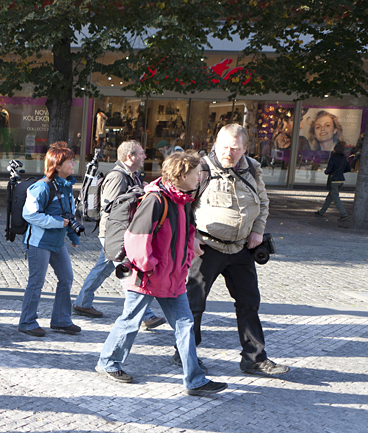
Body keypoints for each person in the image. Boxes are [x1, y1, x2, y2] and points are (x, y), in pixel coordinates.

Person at [95, 151, 229, 397]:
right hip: (149, 277)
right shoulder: (155, 200)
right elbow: (136, 239)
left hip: (172, 278)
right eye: (195, 173)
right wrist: (149, 267)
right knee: (130, 322)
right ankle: (107, 362)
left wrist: (187, 257)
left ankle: (195, 380)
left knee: (185, 325)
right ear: (181, 175)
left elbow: (186, 235)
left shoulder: (182, 200)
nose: (199, 177)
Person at [181, 124, 289, 376]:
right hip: (207, 248)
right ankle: (185, 353)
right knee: (194, 303)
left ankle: (254, 357)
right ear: (216, 144)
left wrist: (258, 231)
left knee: (249, 302)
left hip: (241, 249)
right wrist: (191, 237)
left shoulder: (252, 168)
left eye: (236, 149)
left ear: (244, 149)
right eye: (226, 147)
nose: (229, 153)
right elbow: (182, 205)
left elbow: (262, 202)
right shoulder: (201, 169)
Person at [73, 141, 165, 330]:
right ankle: (145, 315)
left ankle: (82, 302)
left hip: (116, 232)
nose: (144, 157)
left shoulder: (130, 176)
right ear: (129, 157)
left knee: (103, 268)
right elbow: (112, 207)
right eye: (141, 154)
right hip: (114, 233)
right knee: (128, 273)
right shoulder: (117, 177)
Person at [17, 142, 81, 337]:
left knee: (66, 278)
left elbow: (67, 214)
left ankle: (61, 320)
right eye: (69, 162)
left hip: (57, 243)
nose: (73, 164)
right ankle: (27, 322)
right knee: (37, 281)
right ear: (57, 166)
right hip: (39, 243)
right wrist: (56, 222)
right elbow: (29, 214)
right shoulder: (42, 187)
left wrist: (72, 235)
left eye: (72, 160)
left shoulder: (67, 186)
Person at [315, 142, 359, 222]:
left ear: (335, 149)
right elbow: (348, 169)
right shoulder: (344, 158)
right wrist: (340, 172)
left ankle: (344, 214)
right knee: (330, 197)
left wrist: (327, 172)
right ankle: (321, 211)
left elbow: (329, 170)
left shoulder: (333, 158)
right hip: (341, 180)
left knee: (335, 198)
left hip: (334, 180)